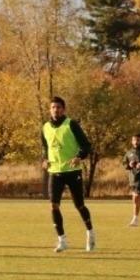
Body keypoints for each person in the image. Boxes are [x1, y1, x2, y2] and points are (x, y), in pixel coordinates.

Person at [40, 96, 95, 252]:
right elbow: (45, 147)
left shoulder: (71, 124)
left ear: (63, 109)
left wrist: (79, 157)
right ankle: (62, 240)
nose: (56, 110)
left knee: (79, 205)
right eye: (53, 107)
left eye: (58, 107)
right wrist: (45, 159)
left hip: (72, 171)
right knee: (53, 205)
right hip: (55, 172)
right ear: (50, 109)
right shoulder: (45, 127)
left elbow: (86, 146)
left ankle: (90, 233)